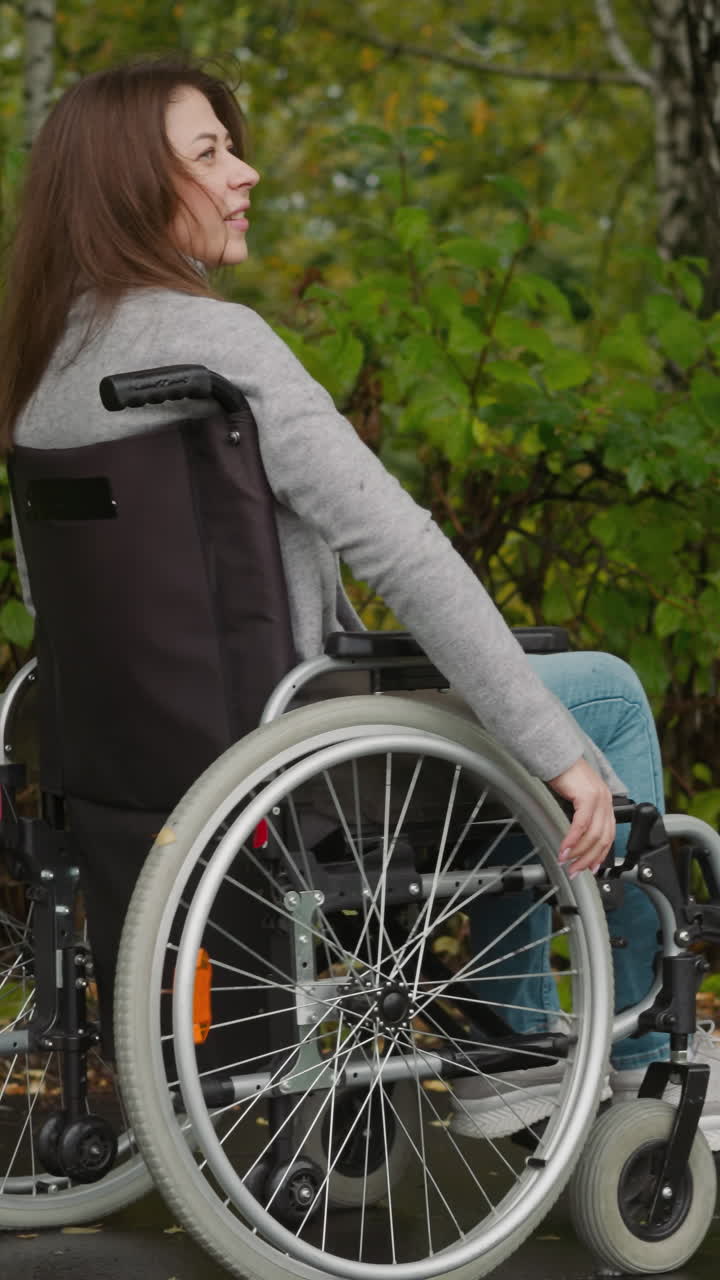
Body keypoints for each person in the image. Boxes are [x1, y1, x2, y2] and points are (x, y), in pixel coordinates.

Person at [0, 56, 718, 1143]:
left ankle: (506, 1041)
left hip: (142, 766)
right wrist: (560, 747)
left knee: (509, 693)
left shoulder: (42, 374)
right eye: (210, 153)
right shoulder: (222, 348)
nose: (245, 174)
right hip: (300, 748)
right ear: (129, 185)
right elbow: (407, 551)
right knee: (599, 695)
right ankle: (631, 1061)